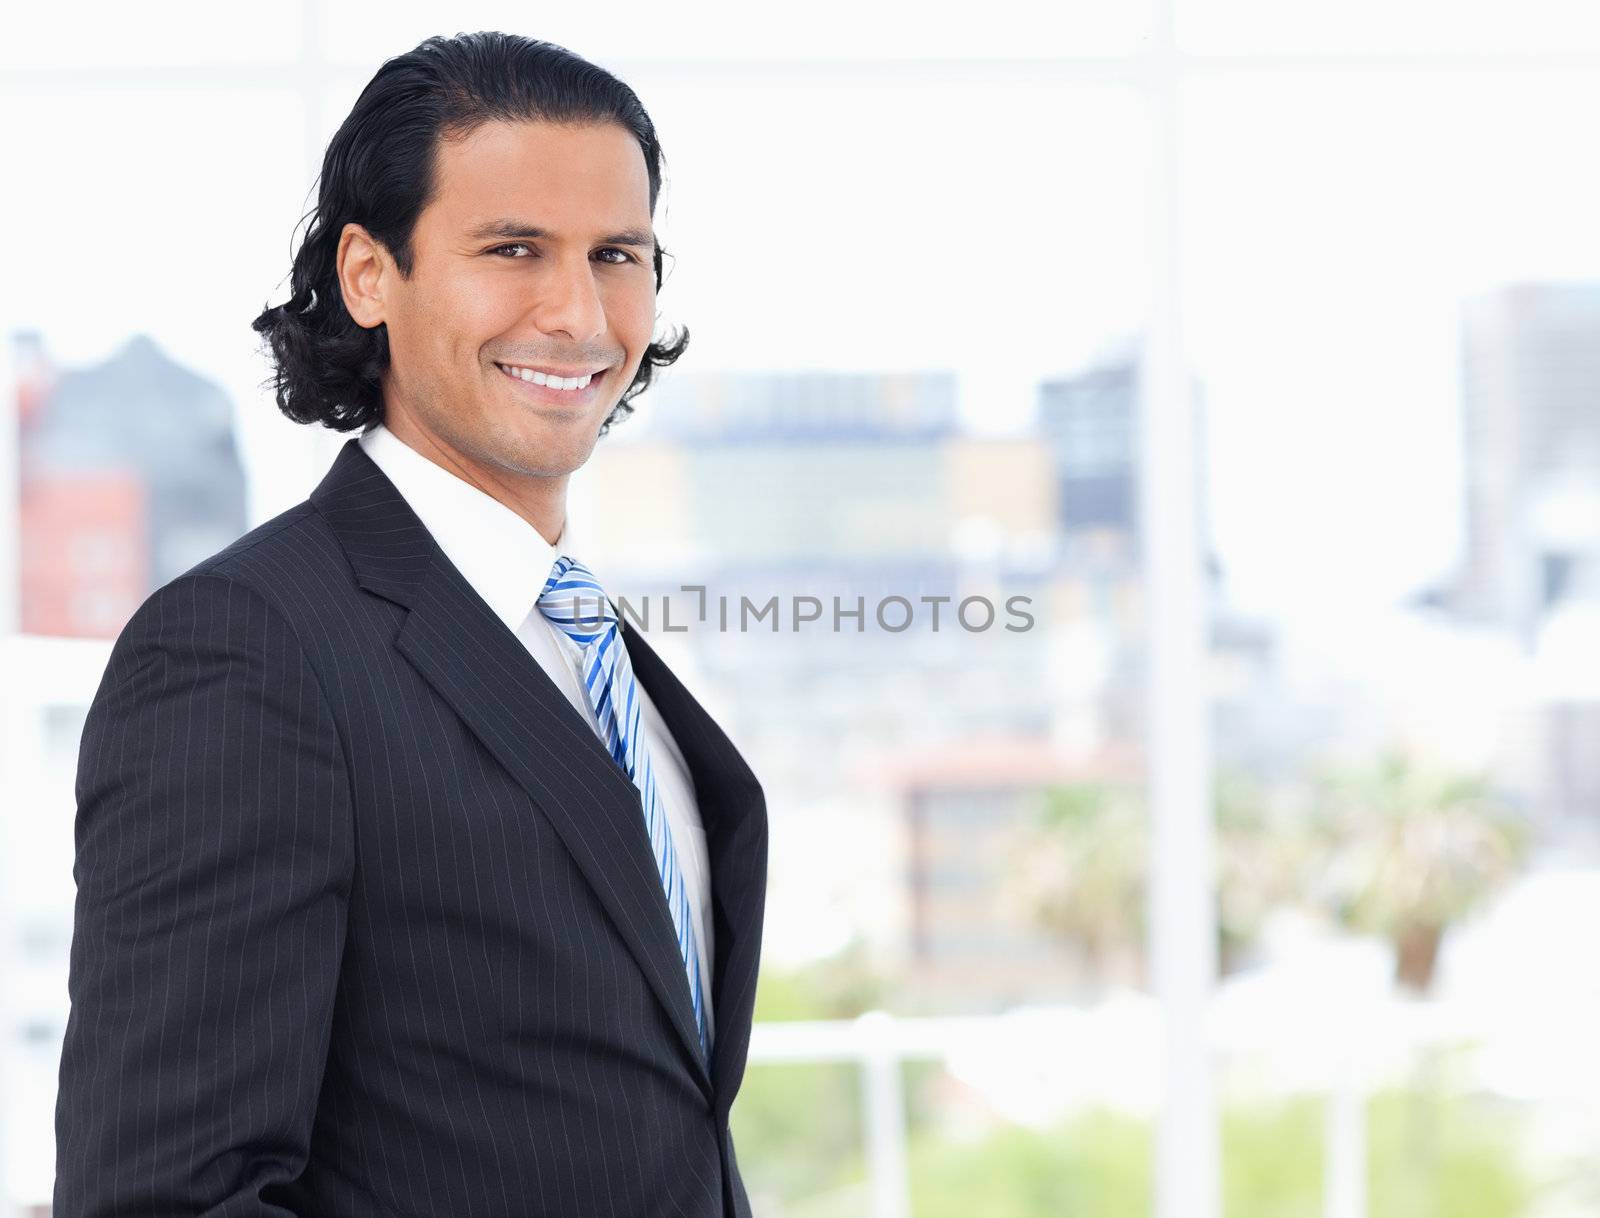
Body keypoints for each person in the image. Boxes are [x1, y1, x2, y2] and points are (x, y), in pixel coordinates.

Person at [54, 31, 768, 1218]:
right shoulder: (247, 650)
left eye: (616, 254)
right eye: (512, 250)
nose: (579, 313)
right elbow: (164, 1197)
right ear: (369, 272)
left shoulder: (584, 645)